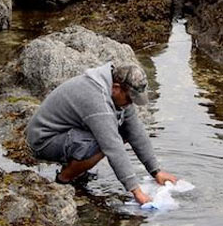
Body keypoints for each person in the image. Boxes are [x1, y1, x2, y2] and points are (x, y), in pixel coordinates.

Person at [26, 63, 177, 205]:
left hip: (67, 132)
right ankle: (64, 179)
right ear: (116, 88)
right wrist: (136, 191)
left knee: (121, 132)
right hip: (43, 140)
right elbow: (112, 146)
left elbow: (135, 131)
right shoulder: (97, 99)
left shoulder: (116, 91)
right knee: (102, 142)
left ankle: (77, 170)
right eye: (130, 99)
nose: (130, 104)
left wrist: (156, 171)